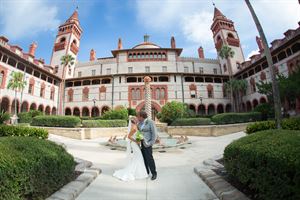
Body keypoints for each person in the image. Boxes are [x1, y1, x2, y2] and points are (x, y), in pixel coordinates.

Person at [113, 116, 148, 181]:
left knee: (137, 157)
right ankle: (136, 172)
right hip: (133, 144)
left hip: (135, 144)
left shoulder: (135, 126)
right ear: (134, 121)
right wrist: (136, 141)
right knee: (139, 156)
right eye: (136, 119)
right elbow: (129, 136)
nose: (137, 119)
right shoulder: (133, 128)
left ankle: (138, 172)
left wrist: (139, 139)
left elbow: (137, 135)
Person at [137, 111, 158, 181]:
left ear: (142, 116)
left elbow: (154, 134)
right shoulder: (139, 123)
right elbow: (138, 132)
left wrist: (150, 143)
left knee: (149, 159)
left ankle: (154, 173)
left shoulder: (150, 122)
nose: (138, 117)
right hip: (141, 144)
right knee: (144, 158)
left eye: (138, 116)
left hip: (148, 143)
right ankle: (146, 172)